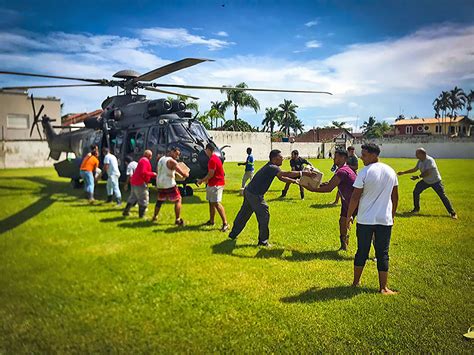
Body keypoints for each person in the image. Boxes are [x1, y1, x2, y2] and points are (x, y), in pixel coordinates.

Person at [229, 149, 317, 247]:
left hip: (249, 191)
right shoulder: (272, 167)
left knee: (244, 213)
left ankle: (233, 234)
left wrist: (294, 181)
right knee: (264, 214)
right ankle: (263, 241)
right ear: (275, 159)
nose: (283, 159)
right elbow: (285, 173)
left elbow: (281, 177)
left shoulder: (271, 167)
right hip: (255, 194)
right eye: (281, 157)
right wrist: (303, 173)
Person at [345, 143, 398, 295]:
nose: (361, 157)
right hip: (384, 220)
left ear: (374, 155)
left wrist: (349, 216)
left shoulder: (364, 172)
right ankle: (383, 288)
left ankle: (356, 283)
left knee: (362, 251)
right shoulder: (390, 171)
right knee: (383, 253)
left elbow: (355, 197)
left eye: (365, 154)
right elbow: (395, 197)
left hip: (365, 220)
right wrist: (391, 215)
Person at [305, 149, 356, 250]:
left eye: (336, 157)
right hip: (347, 202)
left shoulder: (342, 171)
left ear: (344, 158)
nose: (334, 159)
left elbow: (329, 188)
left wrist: (312, 189)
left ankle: (377, 251)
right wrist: (317, 183)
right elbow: (330, 182)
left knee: (366, 228)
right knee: (342, 222)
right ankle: (343, 245)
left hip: (355, 202)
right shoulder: (344, 169)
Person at [397, 148, 457, 219]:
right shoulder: (420, 161)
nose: (416, 155)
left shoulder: (429, 160)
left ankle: (452, 213)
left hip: (435, 181)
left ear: (422, 154)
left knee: (442, 196)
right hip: (426, 181)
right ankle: (416, 209)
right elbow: (415, 169)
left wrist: (418, 177)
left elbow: (428, 172)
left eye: (417, 154)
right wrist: (403, 172)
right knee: (416, 192)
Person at [152, 147, 189, 226]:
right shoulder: (172, 161)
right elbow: (183, 173)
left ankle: (155, 216)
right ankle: (177, 219)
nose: (177, 157)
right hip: (169, 184)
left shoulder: (161, 159)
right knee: (178, 199)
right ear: (172, 151)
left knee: (160, 200)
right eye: (176, 154)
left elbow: (157, 171)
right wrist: (186, 173)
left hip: (160, 183)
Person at [197, 143, 229, 232]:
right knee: (211, 203)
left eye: (205, 150)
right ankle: (211, 221)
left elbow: (211, 174)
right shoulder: (214, 158)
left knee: (216, 203)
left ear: (208, 150)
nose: (205, 152)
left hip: (216, 184)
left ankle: (225, 223)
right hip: (212, 183)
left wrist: (201, 180)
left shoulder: (212, 160)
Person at [122, 150, 157, 218]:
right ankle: (141, 215)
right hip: (140, 182)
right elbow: (143, 172)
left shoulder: (141, 160)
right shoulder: (145, 161)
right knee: (143, 198)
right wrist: (153, 174)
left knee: (133, 197)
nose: (151, 157)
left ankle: (126, 212)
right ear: (149, 156)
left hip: (134, 181)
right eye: (151, 156)